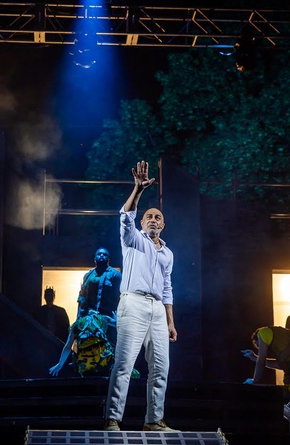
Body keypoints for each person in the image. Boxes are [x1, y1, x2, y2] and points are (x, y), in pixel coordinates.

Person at [103, 161, 177, 433]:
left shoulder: (168, 254)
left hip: (157, 309)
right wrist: (138, 189)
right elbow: (125, 216)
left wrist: (170, 321)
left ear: (163, 225)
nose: (153, 219)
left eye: (158, 217)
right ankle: (112, 419)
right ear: (143, 223)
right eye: (149, 217)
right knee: (124, 363)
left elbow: (167, 288)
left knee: (160, 367)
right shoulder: (133, 239)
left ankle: (154, 420)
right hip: (133, 303)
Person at [243, 326, 290, 398]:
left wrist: (255, 380)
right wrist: (254, 358)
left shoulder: (262, 333)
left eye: (258, 345)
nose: (260, 348)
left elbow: (261, 361)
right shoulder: (279, 342)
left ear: (256, 339)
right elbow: (280, 365)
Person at [49, 310, 115, 377]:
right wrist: (116, 318)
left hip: (86, 361)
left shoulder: (77, 324)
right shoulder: (101, 318)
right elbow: (116, 324)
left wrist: (60, 364)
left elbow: (68, 347)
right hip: (102, 357)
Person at [78, 247, 122, 345]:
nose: (101, 255)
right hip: (90, 318)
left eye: (104, 254)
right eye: (99, 254)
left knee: (109, 346)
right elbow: (82, 298)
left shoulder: (115, 275)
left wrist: (118, 319)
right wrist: (79, 319)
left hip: (108, 318)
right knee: (90, 347)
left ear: (108, 260)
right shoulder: (88, 276)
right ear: (94, 259)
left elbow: (120, 298)